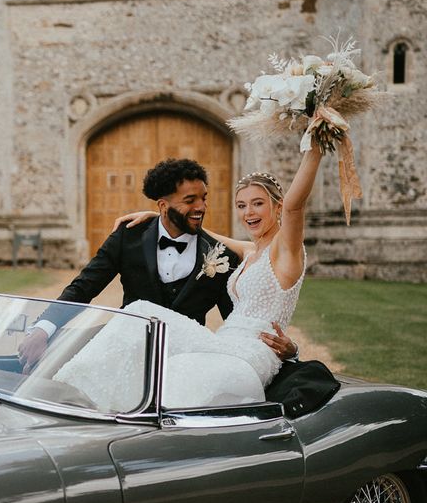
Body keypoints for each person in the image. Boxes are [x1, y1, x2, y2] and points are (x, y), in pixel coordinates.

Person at [61, 139, 323, 407]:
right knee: (141, 326)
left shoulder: (287, 252)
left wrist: (314, 150)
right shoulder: (248, 252)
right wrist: (160, 216)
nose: (248, 213)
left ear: (278, 207)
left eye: (258, 204)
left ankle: (68, 391)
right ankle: (76, 398)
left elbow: (295, 207)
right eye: (242, 205)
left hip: (249, 355)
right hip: (220, 345)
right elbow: (202, 232)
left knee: (141, 312)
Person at [18, 158, 298, 375]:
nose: (201, 206)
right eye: (190, 200)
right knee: (55, 361)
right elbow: (83, 287)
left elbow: (238, 322)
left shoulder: (221, 255)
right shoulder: (129, 236)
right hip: (126, 346)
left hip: (182, 363)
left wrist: (288, 351)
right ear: (163, 206)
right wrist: (43, 329)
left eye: (204, 198)